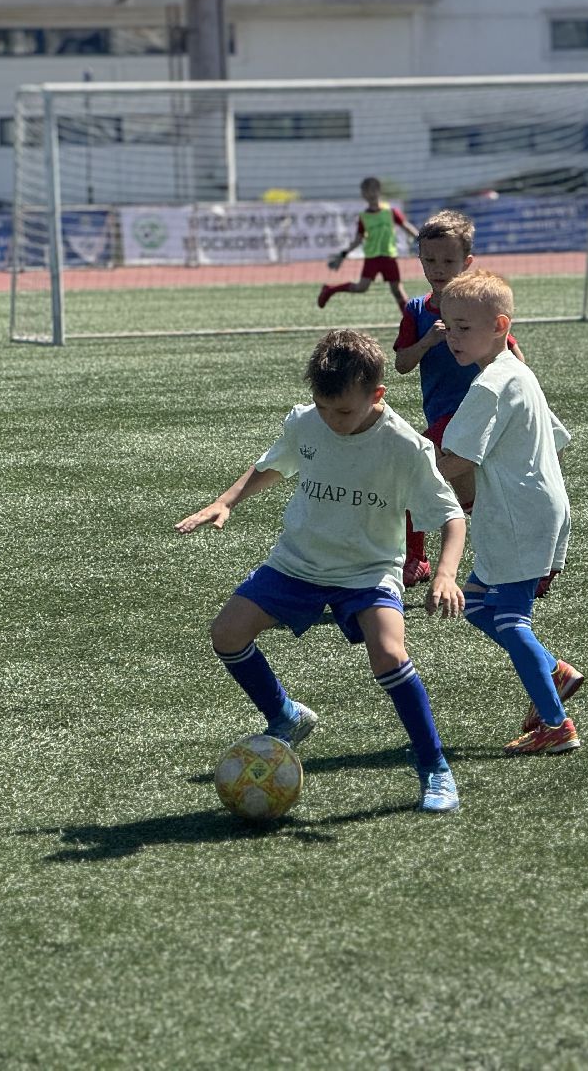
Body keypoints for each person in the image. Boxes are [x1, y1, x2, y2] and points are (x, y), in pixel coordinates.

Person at [175, 328, 468, 813]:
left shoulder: (405, 447)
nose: (332, 420)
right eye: (323, 407)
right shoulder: (307, 422)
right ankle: (285, 715)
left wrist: (445, 572)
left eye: (345, 412)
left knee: (390, 655)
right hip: (298, 561)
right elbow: (273, 464)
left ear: (377, 395)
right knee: (226, 633)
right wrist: (225, 501)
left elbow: (452, 515)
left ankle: (435, 768)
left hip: (367, 569)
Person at [432, 269, 584, 754]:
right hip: (531, 508)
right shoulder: (517, 371)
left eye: (463, 327)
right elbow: (557, 442)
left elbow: (454, 460)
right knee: (477, 604)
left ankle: (557, 726)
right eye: (447, 326)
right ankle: (554, 672)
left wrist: (407, 461)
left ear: (500, 325)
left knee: (510, 620)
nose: (452, 337)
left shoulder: (490, 386)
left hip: (519, 516)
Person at [392, 209, 539, 590]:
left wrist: (523, 397)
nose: (438, 269)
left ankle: (416, 559)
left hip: (474, 415)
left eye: (448, 261)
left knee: (416, 469)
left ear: (467, 262)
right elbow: (402, 364)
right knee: (472, 498)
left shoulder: (478, 306)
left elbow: (513, 359)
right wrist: (428, 341)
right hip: (442, 413)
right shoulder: (417, 310)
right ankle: (525, 563)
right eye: (429, 260)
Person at [317, 176, 420, 315]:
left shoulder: (390, 212)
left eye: (373, 190)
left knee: (397, 290)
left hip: (389, 256)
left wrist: (421, 239)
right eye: (366, 191)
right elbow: (358, 240)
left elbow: (406, 226)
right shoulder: (363, 217)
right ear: (363, 194)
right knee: (361, 287)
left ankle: (411, 321)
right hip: (372, 258)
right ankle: (329, 289)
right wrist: (343, 254)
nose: (370, 194)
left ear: (379, 191)